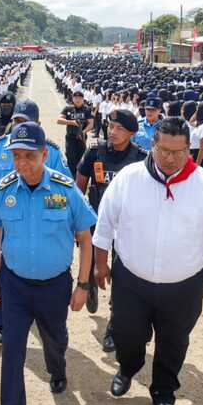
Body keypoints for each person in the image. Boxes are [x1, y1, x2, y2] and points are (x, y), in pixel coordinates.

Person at [93, 118, 203, 405]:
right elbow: (105, 223)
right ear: (153, 146)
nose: (171, 158)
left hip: (183, 285)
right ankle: (127, 368)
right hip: (132, 279)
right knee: (127, 333)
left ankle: (163, 392)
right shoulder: (129, 178)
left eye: (179, 151)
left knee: (173, 341)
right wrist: (101, 262)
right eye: (164, 151)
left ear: (189, 148)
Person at [0, 121, 96, 405]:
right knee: (13, 348)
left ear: (44, 154)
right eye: (16, 156)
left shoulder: (64, 190)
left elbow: (85, 239)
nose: (22, 163)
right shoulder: (3, 191)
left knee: (55, 338)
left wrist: (83, 285)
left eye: (29, 156)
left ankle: (57, 370)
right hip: (15, 285)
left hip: (54, 285)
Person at [0, 99, 69, 344]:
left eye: (25, 122)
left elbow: (64, 194)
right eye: (17, 121)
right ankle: (2, 325)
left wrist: (44, 213)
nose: (20, 126)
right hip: (5, 224)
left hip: (38, 226)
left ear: (38, 124)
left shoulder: (50, 153)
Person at [76, 108, 147, 351]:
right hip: (97, 223)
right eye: (111, 126)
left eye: (121, 129)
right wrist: (79, 222)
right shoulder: (95, 151)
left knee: (122, 279)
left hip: (126, 228)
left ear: (132, 134)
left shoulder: (140, 158)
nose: (114, 132)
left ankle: (114, 327)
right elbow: (80, 186)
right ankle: (90, 283)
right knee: (94, 265)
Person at [57, 90, 94, 177]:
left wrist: (83, 131)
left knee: (81, 157)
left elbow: (91, 124)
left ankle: (80, 176)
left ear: (83, 99)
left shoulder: (87, 109)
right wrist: (71, 122)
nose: (78, 100)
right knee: (71, 157)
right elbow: (59, 120)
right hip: (70, 137)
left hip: (81, 137)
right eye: (76, 98)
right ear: (73, 98)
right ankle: (72, 176)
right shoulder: (68, 108)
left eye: (80, 98)